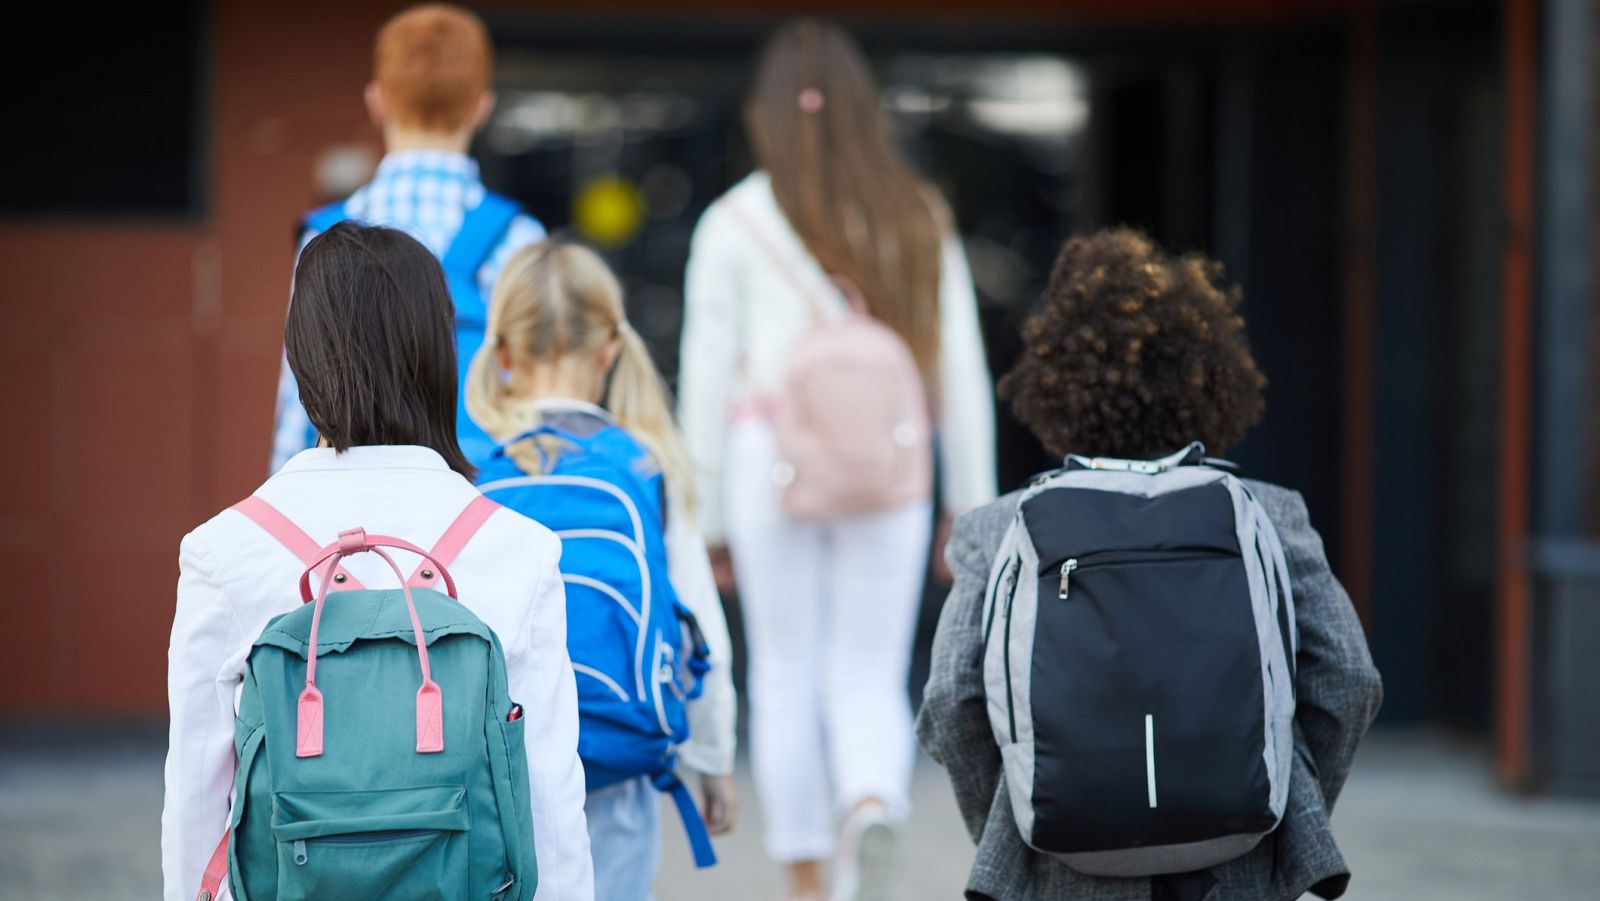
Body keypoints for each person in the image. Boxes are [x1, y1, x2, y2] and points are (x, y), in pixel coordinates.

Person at [917, 228, 1384, 901]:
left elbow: (949, 701)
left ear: (1052, 384)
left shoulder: (999, 528)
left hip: (1063, 868)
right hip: (1236, 865)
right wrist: (1274, 797)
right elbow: (1348, 678)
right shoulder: (1269, 514)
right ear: (1214, 379)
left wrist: (1024, 814)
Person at [163, 223, 593, 901]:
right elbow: (551, 803)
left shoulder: (223, 549)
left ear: (301, 357)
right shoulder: (519, 547)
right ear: (440, 354)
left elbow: (195, 799)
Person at [677, 17, 997, 901]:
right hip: (891, 464)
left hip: (768, 457)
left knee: (783, 665)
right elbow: (959, 370)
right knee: (870, 662)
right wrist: (969, 505)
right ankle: (870, 799)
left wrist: (700, 519)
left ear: (766, 112)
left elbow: (704, 379)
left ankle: (810, 881)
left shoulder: (734, 220)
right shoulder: (916, 212)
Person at [466, 240, 740, 900]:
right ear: (610, 352)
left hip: (504, 763)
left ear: (502, 355)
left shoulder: (477, 475)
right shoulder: (645, 467)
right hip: (618, 756)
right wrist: (713, 759)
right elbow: (698, 624)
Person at [272, 2, 546, 472]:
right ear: (482, 107)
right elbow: (537, 398)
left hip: (356, 521)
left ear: (376, 101)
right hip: (478, 506)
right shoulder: (518, 236)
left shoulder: (325, 238)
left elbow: (295, 408)